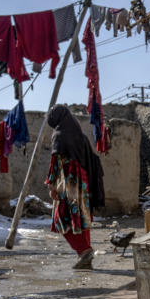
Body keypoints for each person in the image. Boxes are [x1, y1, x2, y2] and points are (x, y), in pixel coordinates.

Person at [45, 105, 105, 270]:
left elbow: (55, 164)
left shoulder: (58, 135)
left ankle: (84, 250)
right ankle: (85, 257)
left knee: (60, 218)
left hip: (69, 184)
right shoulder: (82, 137)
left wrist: (51, 185)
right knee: (82, 218)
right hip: (84, 184)